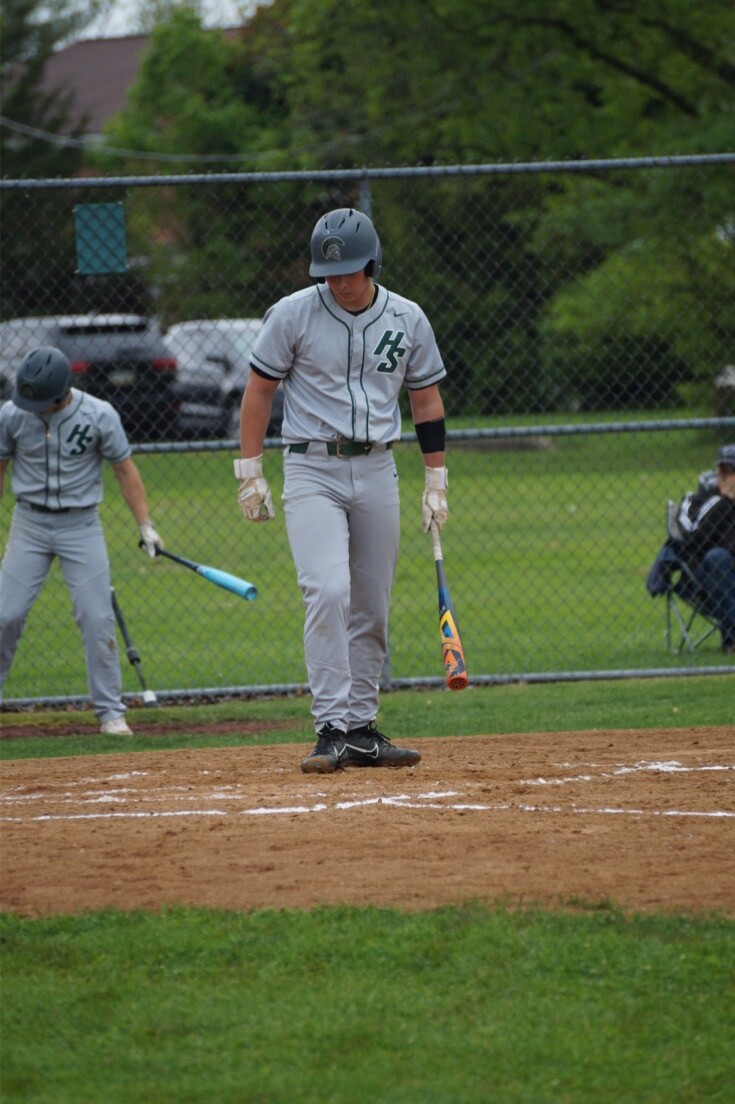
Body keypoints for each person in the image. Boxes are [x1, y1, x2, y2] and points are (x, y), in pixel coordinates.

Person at [235, 207, 449, 773]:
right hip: (312, 469)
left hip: (378, 468)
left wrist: (436, 480)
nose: (339, 281)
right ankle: (330, 728)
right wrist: (250, 470)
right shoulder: (293, 314)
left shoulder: (407, 317)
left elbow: (426, 401)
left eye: (350, 270)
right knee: (328, 591)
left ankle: (361, 729)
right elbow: (259, 391)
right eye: (329, 273)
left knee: (372, 604)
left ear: (373, 264)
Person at [0, 346, 164, 733]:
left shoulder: (99, 415)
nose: (34, 407)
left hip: (81, 525)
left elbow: (125, 470)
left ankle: (110, 712)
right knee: (5, 614)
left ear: (63, 392)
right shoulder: (11, 414)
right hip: (29, 524)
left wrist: (145, 525)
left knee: (96, 617)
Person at [676, 443, 735, 654]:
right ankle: (732, 640)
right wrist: (723, 502)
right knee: (718, 557)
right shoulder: (700, 500)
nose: (727, 478)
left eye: (732, 472)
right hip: (707, 577)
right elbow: (694, 536)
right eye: (723, 471)